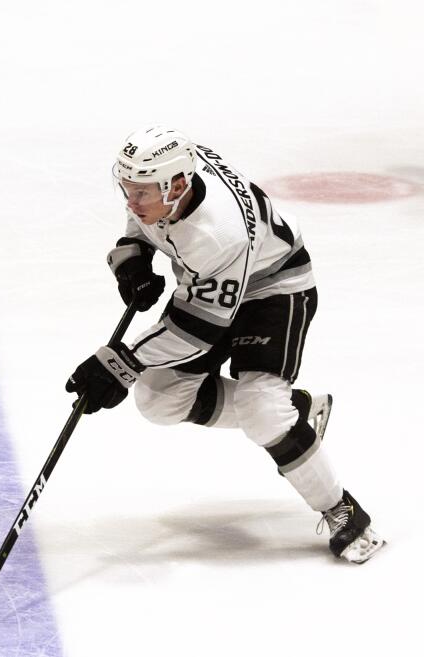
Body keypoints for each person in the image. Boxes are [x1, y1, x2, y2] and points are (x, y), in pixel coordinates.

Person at [64, 126, 385, 563]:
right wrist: (133, 254)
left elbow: (196, 331)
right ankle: (301, 411)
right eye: (127, 189)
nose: (131, 202)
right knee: (159, 399)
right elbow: (144, 220)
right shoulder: (170, 182)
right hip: (212, 284)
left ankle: (345, 512)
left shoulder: (217, 233)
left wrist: (121, 363)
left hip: (274, 290)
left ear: (176, 185)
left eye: (141, 193)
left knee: (263, 411)